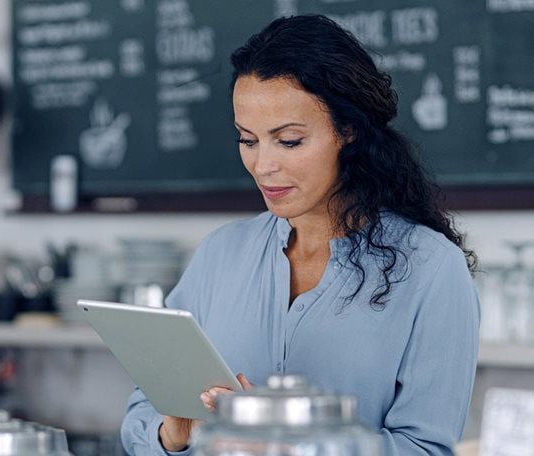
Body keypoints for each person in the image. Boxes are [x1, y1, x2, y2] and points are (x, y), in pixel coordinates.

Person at [121, 14, 479, 456]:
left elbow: (427, 448)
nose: (263, 165)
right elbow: (141, 414)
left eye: (288, 141)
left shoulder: (430, 268)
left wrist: (290, 440)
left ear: (348, 130)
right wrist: (177, 432)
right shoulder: (221, 254)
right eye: (247, 140)